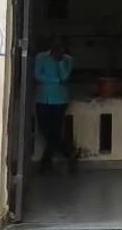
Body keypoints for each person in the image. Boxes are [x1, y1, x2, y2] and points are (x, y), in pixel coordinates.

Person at [34, 35, 76, 172]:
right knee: (44, 129)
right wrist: (56, 81)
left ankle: (46, 161)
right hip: (43, 98)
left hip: (59, 100)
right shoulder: (41, 57)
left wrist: (60, 62)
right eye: (55, 45)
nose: (57, 48)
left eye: (60, 46)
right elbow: (38, 75)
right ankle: (68, 151)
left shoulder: (68, 60)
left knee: (55, 130)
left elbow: (65, 76)